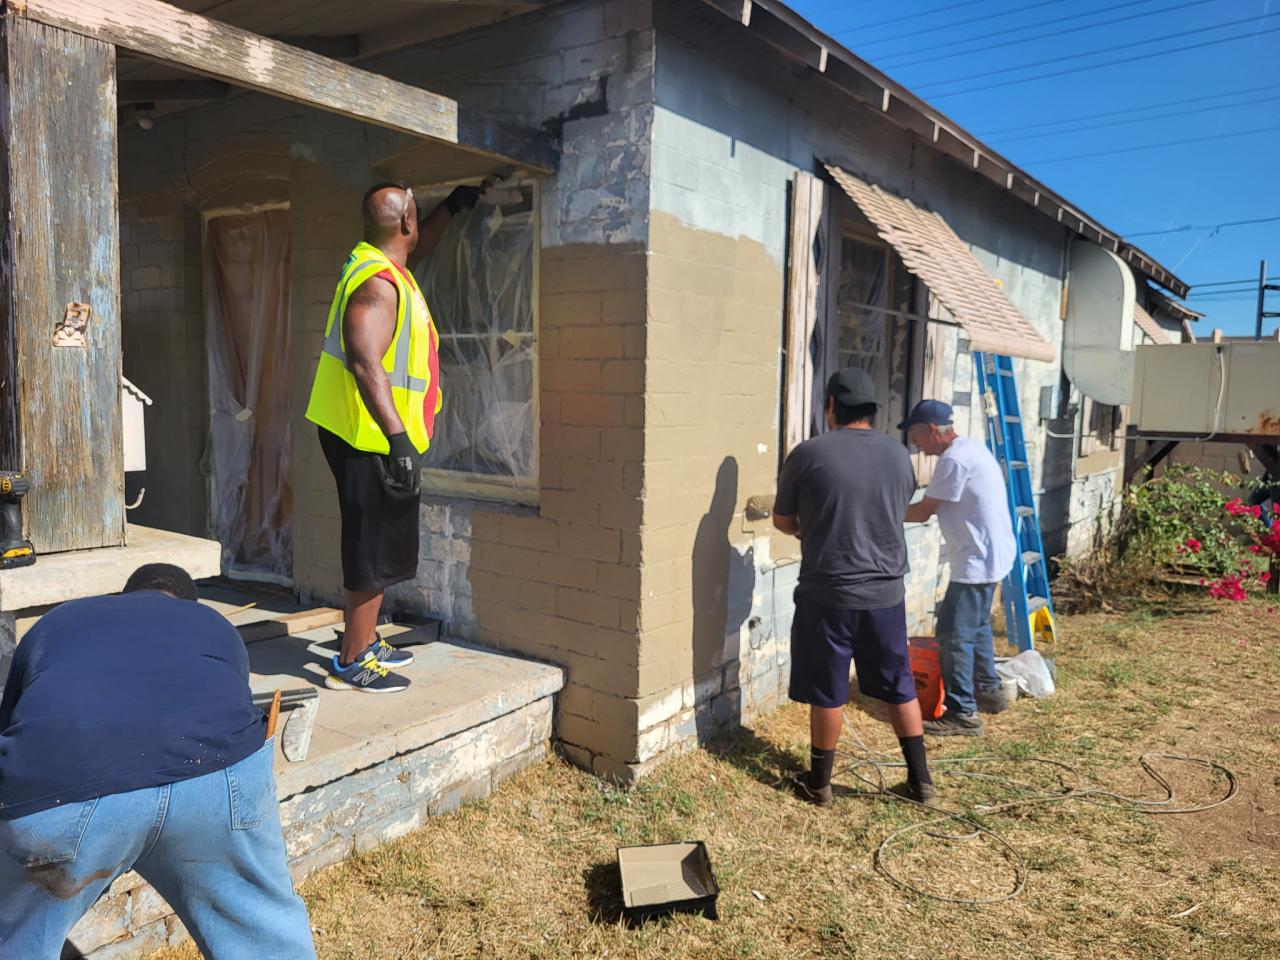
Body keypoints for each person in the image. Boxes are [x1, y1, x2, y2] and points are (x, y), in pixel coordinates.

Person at [0, 564, 315, 960]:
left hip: (63, 791)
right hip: (215, 777)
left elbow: (13, 726)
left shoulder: (59, 620)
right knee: (265, 942)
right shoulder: (212, 623)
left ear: (126, 596)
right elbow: (231, 702)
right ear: (187, 603)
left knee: (14, 941)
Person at [305, 180, 482, 693]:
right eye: (418, 215)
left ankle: (367, 637)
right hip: (370, 436)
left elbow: (417, 247)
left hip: (370, 433)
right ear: (405, 222)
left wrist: (450, 208)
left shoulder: (385, 266)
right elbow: (364, 357)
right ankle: (353, 656)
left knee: (381, 538)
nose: (420, 224)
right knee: (370, 542)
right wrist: (398, 438)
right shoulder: (380, 285)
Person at [773, 369, 935, 807]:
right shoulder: (899, 455)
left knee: (829, 689)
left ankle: (820, 785)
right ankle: (921, 783)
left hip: (829, 593)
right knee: (899, 684)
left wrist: (814, 531)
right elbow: (897, 508)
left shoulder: (807, 454)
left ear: (831, 406)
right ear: (872, 411)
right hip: (886, 593)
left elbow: (783, 521)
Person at [902, 400, 1017, 737]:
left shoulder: (953, 459)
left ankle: (962, 712)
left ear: (933, 430)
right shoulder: (971, 450)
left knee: (953, 635)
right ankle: (989, 691)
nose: (915, 444)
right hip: (989, 554)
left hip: (977, 558)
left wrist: (876, 510)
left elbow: (923, 511)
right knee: (977, 626)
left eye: (916, 436)